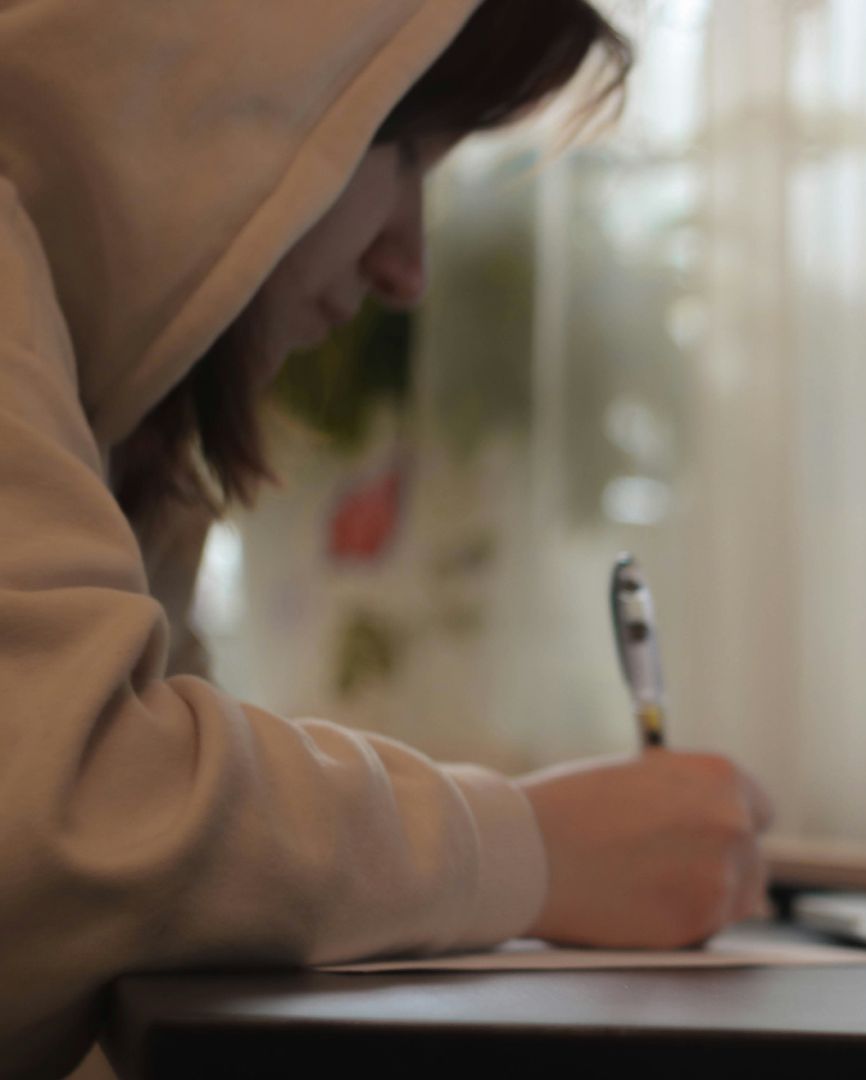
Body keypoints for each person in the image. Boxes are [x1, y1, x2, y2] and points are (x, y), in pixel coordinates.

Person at [0, 3, 773, 1076]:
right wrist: (536, 849)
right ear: (212, 83)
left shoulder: (112, 432)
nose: (406, 268)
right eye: (402, 149)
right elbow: (61, 820)